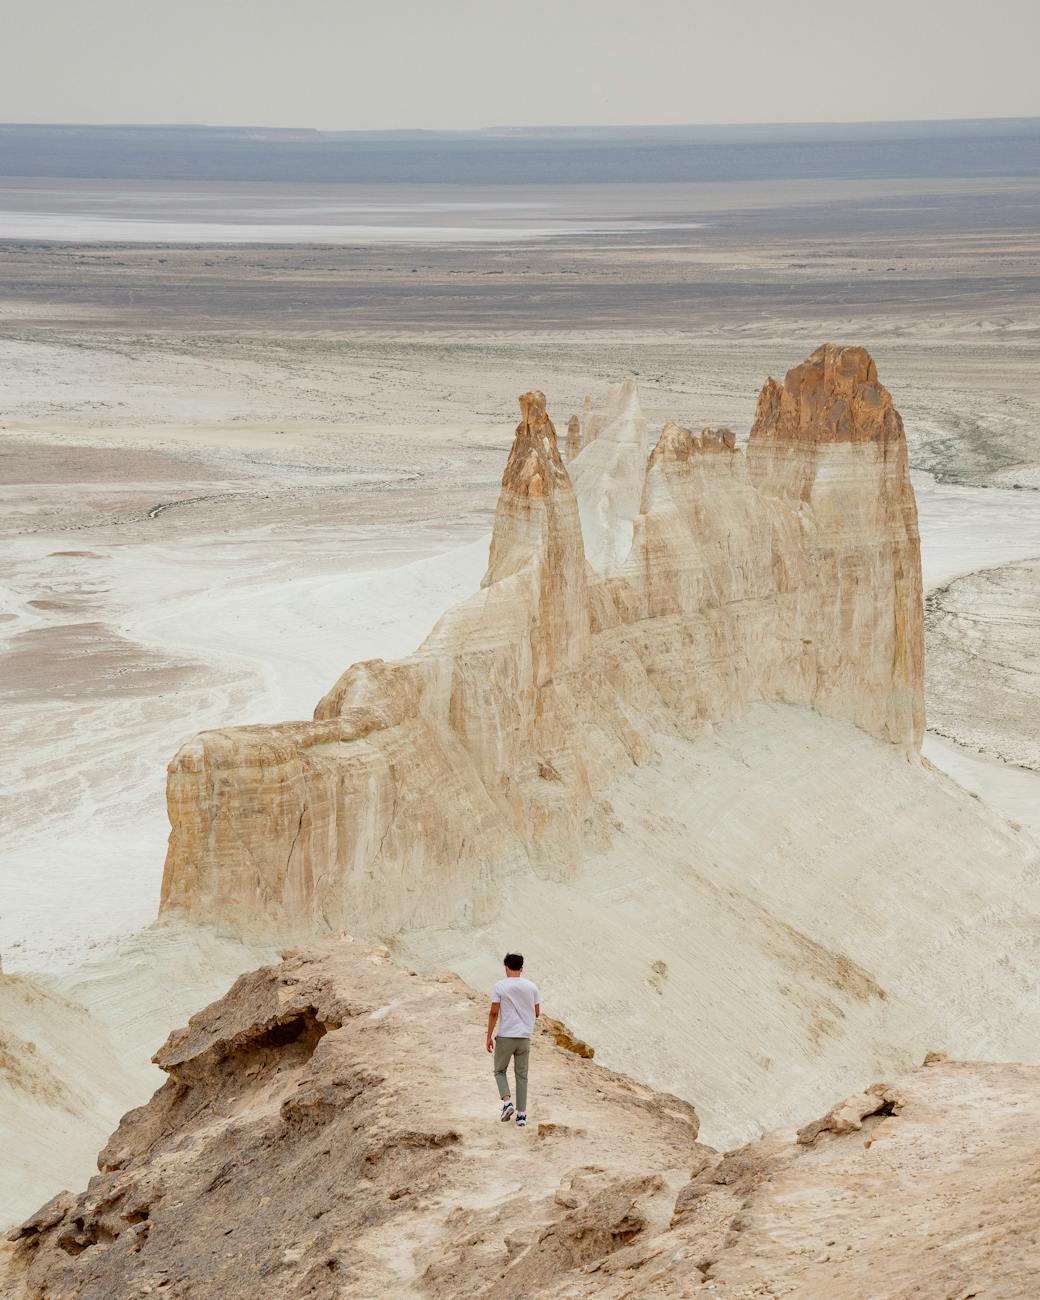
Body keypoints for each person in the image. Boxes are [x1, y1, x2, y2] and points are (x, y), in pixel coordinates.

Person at [485, 952, 540, 1127]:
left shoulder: (500, 986)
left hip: (506, 1036)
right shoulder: (532, 987)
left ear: (506, 967)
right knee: (522, 1075)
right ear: (522, 968)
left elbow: (494, 1012)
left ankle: (507, 1102)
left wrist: (488, 1036)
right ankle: (522, 1115)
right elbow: (537, 1012)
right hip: (524, 1038)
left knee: (499, 1071)